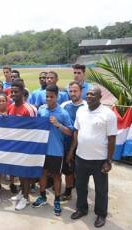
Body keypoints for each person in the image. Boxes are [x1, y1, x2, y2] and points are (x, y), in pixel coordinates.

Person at [67, 86, 117, 228]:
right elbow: (77, 132)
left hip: (99, 160)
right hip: (81, 157)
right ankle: (82, 209)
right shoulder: (81, 111)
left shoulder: (108, 114)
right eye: (88, 94)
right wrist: (71, 151)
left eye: (92, 94)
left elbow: (112, 139)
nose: (89, 96)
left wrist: (108, 161)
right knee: (81, 186)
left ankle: (101, 214)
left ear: (100, 97)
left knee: (101, 189)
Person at [32, 84, 73, 217]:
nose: (49, 99)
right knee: (42, 174)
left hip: (56, 151)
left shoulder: (63, 112)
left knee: (56, 176)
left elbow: (70, 132)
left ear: (57, 97)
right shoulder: (41, 109)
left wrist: (58, 124)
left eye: (51, 97)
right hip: (42, 150)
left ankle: (56, 200)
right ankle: (43, 196)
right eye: (47, 96)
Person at [7, 79, 37, 211]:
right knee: (19, 172)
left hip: (27, 147)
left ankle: (26, 197)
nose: (13, 94)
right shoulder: (11, 107)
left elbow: (36, 130)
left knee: (25, 174)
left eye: (16, 92)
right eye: (11, 92)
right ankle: (21, 192)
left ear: (22, 92)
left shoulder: (29, 109)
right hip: (15, 146)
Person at [59, 81, 87, 201]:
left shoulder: (86, 107)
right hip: (66, 142)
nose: (72, 93)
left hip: (82, 145)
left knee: (80, 171)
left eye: (75, 91)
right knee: (68, 168)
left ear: (81, 92)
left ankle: (79, 190)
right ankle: (68, 191)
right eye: (70, 91)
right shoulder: (64, 105)